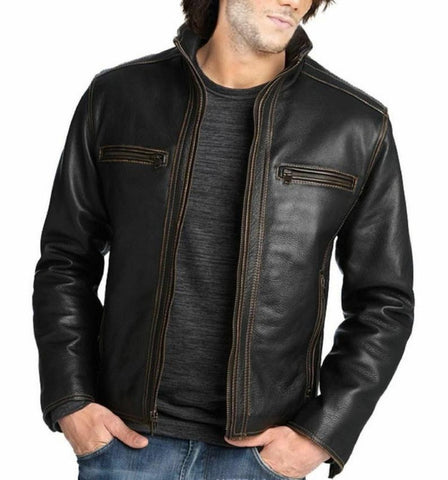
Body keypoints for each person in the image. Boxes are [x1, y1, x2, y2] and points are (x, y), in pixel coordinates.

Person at [32, 0, 414, 479]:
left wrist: (321, 432)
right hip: (125, 446)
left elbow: (384, 302)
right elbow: (67, 260)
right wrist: (70, 400)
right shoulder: (118, 97)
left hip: (260, 458)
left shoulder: (355, 123)